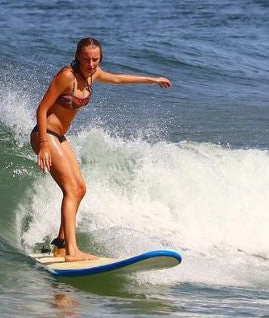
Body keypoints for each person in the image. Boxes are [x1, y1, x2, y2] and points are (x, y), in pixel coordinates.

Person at [30, 37, 172, 262]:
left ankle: (60, 245)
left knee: (81, 189)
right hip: (45, 135)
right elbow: (42, 108)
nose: (91, 64)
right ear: (78, 56)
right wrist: (44, 146)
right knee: (71, 189)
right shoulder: (66, 76)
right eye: (86, 59)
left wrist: (152, 80)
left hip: (60, 136)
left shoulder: (92, 76)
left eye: (95, 59)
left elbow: (117, 79)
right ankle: (72, 252)